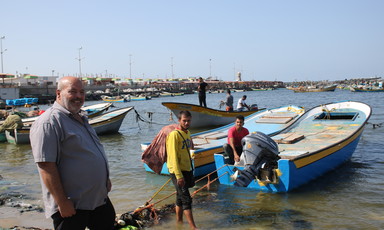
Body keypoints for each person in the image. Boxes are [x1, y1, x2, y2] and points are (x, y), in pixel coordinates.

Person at [30, 76, 116, 230]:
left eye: (82, 92)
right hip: (72, 205)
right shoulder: (49, 122)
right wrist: (62, 202)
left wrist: (105, 179)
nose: (79, 96)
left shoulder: (81, 117)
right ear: (58, 94)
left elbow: (91, 153)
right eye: (73, 91)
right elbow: (45, 166)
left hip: (97, 200)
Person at [166, 110, 198, 230]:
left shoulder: (187, 132)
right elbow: (172, 156)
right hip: (177, 171)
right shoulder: (174, 135)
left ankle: (179, 222)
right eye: (184, 121)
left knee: (180, 197)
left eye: (188, 121)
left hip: (186, 168)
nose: (186, 123)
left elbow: (189, 147)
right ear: (179, 120)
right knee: (186, 199)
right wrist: (179, 176)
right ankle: (193, 227)